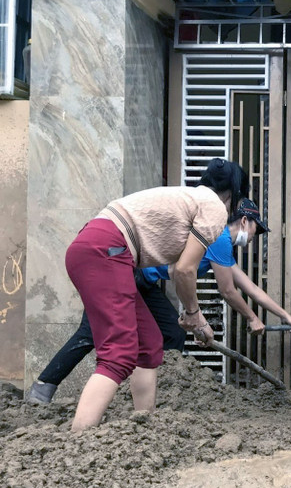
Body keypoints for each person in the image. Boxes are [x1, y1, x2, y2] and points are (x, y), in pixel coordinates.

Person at [25, 198, 291, 404]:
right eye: (255, 231)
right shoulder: (220, 238)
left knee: (169, 333)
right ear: (243, 222)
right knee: (92, 334)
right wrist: (251, 318)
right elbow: (228, 291)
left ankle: (160, 388)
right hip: (127, 274)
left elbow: (248, 285)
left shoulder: (223, 245)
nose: (253, 238)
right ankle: (43, 388)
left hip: (143, 283)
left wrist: (284, 316)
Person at [63, 158, 249, 432]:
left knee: (148, 344)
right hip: (107, 249)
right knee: (118, 354)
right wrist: (196, 317)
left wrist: (191, 315)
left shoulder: (190, 198)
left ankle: (143, 428)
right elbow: (185, 271)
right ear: (233, 193)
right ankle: (79, 439)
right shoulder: (213, 208)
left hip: (96, 245)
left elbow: (176, 270)